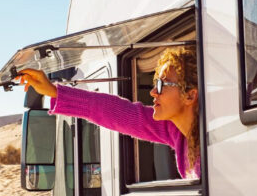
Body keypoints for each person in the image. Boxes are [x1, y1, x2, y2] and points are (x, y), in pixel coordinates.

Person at [18, 46, 200, 179]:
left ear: (190, 96)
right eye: (154, 84)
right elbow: (115, 112)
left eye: (161, 85)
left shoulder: (211, 142)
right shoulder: (176, 132)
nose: (153, 92)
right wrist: (54, 92)